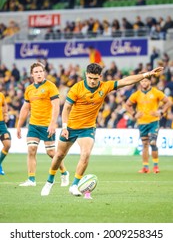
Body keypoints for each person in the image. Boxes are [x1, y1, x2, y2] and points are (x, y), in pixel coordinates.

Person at [41, 63, 163, 197]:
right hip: (70, 127)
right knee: (59, 155)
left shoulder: (105, 86)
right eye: (90, 78)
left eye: (95, 78)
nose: (92, 81)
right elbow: (66, 108)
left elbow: (126, 81)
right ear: (86, 75)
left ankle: (75, 185)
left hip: (87, 128)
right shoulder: (76, 88)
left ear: (100, 76)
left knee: (86, 154)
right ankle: (49, 181)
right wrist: (64, 126)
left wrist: (147, 74)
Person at [17, 62, 69, 187]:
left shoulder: (51, 86)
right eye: (36, 72)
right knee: (31, 149)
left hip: (47, 124)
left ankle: (64, 172)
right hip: (33, 124)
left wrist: (52, 123)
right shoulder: (29, 89)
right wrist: (19, 125)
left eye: (41, 71)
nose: (39, 74)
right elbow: (25, 108)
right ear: (32, 74)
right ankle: (31, 179)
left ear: (44, 72)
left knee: (51, 153)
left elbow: (56, 106)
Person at [125, 72, 172, 174]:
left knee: (153, 142)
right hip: (142, 123)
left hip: (153, 121)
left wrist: (161, 112)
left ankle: (155, 166)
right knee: (145, 144)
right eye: (142, 81)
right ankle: (145, 167)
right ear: (140, 82)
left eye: (146, 80)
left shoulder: (156, 92)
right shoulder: (136, 94)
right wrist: (134, 114)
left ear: (150, 81)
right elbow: (127, 105)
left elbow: (168, 102)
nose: (144, 82)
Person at [0, 92, 11, 175]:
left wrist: (6, 114)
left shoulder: (1, 95)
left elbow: (4, 104)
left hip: (1, 124)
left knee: (7, 144)